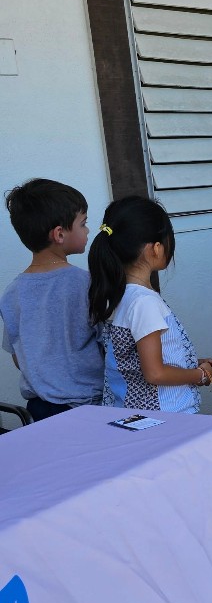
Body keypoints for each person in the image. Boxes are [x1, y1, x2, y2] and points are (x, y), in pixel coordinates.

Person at [89, 196, 212, 413]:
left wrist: (192, 361)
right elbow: (155, 373)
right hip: (167, 417)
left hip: (130, 413)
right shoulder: (145, 303)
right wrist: (202, 375)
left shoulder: (117, 295)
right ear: (156, 248)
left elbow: (135, 360)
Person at [1, 178, 102, 421]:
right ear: (59, 234)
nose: (87, 230)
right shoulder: (87, 283)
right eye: (83, 223)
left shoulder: (11, 293)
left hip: (38, 410)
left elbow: (18, 357)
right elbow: (107, 344)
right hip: (89, 407)